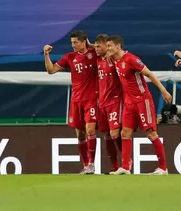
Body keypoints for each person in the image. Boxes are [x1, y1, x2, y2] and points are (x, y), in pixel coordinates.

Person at [106, 35, 172, 175]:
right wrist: (89, 44)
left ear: (118, 46)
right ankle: (125, 167)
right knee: (125, 132)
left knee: (150, 133)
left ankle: (163, 168)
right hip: (129, 103)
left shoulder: (132, 60)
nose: (108, 49)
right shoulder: (114, 58)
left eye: (110, 46)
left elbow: (149, 74)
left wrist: (164, 91)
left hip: (142, 101)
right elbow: (98, 48)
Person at [44, 30, 98, 174]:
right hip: (76, 100)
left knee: (90, 130)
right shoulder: (70, 57)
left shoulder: (94, 54)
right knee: (80, 134)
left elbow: (104, 50)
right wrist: (46, 54)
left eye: (76, 42)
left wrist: (90, 44)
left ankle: (92, 163)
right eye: (72, 43)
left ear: (83, 41)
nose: (73, 45)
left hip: (91, 99)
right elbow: (51, 70)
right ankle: (87, 165)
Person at [94, 34, 122, 173]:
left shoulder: (115, 59)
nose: (96, 49)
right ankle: (114, 166)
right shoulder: (97, 60)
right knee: (107, 135)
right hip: (102, 103)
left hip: (115, 101)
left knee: (115, 133)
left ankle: (127, 161)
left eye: (99, 46)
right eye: (95, 46)